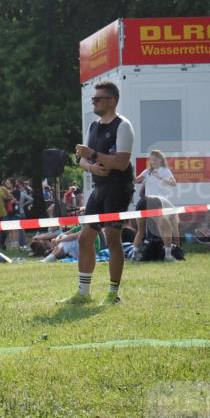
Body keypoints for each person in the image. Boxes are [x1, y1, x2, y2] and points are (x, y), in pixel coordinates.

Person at [63, 80, 134, 305]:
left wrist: (93, 155)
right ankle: (84, 293)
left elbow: (122, 163)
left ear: (111, 101)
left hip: (119, 189)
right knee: (85, 239)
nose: (93, 102)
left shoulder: (123, 126)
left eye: (97, 99)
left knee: (113, 238)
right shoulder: (93, 126)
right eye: (92, 99)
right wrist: (91, 167)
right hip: (99, 188)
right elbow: (81, 160)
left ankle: (113, 294)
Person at [133, 149, 178, 261]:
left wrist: (160, 178)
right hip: (149, 202)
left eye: (155, 159)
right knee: (145, 230)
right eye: (151, 159)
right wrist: (129, 172)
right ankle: (167, 255)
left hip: (156, 202)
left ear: (161, 160)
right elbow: (137, 180)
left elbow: (173, 183)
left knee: (158, 229)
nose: (152, 161)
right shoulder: (147, 171)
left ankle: (172, 250)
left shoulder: (165, 170)